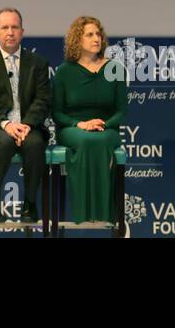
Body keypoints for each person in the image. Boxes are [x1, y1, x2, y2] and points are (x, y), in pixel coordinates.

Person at [0, 7, 51, 225]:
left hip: (28, 125)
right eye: (5, 27)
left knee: (35, 144)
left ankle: (30, 204)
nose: (10, 32)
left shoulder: (38, 63)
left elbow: (43, 100)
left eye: (14, 27)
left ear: (22, 32)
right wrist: (6, 124)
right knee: (5, 143)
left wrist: (26, 124)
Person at [52, 15, 127, 224]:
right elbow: (56, 112)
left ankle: (104, 214)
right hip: (72, 127)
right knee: (86, 140)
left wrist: (104, 124)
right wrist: (80, 124)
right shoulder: (65, 71)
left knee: (99, 140)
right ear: (78, 39)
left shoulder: (115, 69)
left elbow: (122, 110)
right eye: (90, 34)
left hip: (106, 128)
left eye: (98, 34)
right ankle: (83, 212)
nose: (96, 39)